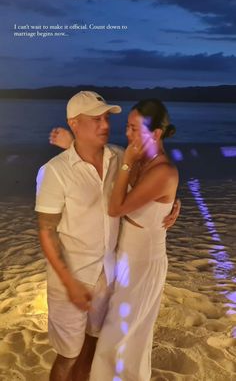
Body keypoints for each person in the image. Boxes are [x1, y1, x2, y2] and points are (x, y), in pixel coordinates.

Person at [36, 91, 180, 381]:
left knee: (98, 344)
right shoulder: (55, 171)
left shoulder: (119, 157)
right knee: (69, 354)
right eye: (96, 119)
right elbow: (46, 231)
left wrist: (172, 203)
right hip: (75, 276)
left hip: (114, 271)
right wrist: (69, 283)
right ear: (75, 123)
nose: (106, 126)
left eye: (106, 118)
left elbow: (150, 184)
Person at [88, 98, 179, 381]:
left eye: (134, 129)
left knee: (120, 335)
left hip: (143, 261)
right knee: (123, 333)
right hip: (125, 255)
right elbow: (99, 154)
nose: (127, 135)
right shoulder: (142, 159)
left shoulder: (162, 170)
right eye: (126, 127)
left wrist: (126, 164)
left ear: (156, 134)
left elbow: (116, 208)